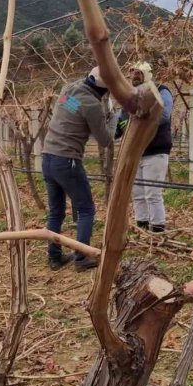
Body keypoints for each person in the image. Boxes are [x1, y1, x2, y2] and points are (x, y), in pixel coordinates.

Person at [42, 67, 116, 271]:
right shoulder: (91, 104)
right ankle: (82, 258)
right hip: (67, 161)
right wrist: (113, 118)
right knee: (86, 209)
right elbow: (105, 139)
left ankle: (54, 257)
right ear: (104, 90)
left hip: (48, 158)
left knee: (56, 211)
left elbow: (75, 111)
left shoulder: (68, 91)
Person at [116, 61, 173, 233]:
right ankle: (142, 226)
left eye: (138, 73)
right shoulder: (129, 100)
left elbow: (163, 115)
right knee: (138, 193)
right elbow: (119, 127)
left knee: (152, 193)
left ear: (147, 74)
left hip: (155, 152)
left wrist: (140, 118)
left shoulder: (162, 91)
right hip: (135, 153)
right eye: (132, 73)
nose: (133, 77)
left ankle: (157, 229)